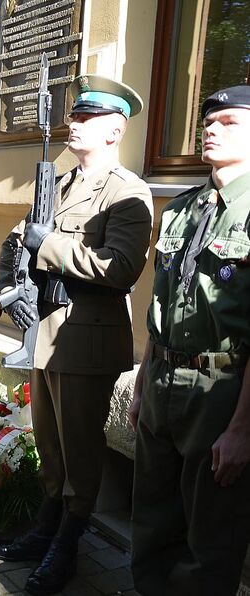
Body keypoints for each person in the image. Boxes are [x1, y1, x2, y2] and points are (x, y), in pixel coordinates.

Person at [0, 76, 153, 594]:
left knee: (80, 453)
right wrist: (9, 280)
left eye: (86, 118)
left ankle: (66, 545)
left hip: (85, 340)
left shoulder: (126, 192)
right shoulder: (58, 183)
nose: (73, 123)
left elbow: (120, 267)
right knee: (51, 446)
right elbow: (19, 240)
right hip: (44, 331)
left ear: (115, 130)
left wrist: (51, 245)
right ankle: (47, 524)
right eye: (74, 115)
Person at [128, 85, 250, 595]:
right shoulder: (179, 209)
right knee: (152, 527)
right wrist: (140, 382)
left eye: (229, 122)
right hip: (161, 382)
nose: (211, 129)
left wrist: (243, 428)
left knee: (210, 541)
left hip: (221, 391)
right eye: (209, 120)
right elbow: (160, 307)